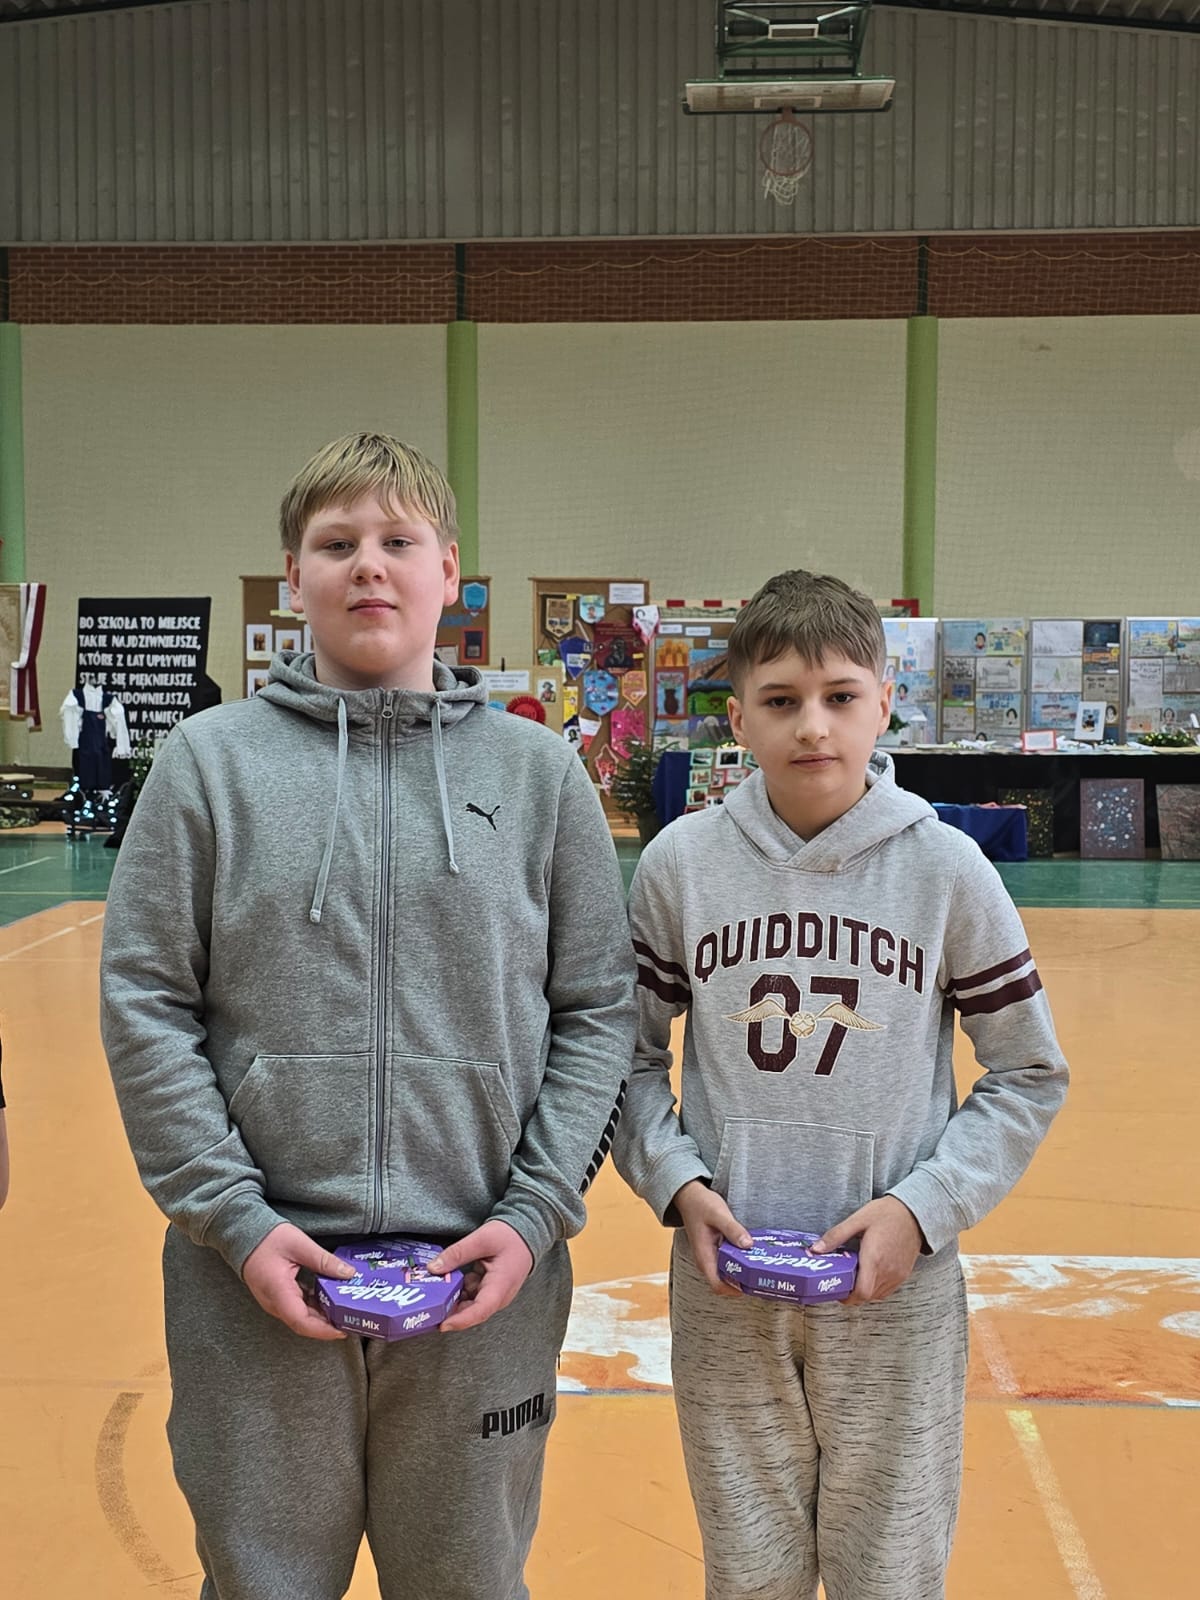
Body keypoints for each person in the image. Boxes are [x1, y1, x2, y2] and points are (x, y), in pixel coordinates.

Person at [100, 432, 637, 1600]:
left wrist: (535, 1214)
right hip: (252, 1280)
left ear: (450, 572)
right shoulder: (207, 766)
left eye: (399, 540)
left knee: (469, 1582)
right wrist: (235, 1220)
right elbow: (146, 999)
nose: (369, 565)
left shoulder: (540, 775)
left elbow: (601, 1010)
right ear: (294, 576)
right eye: (336, 543)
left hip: (483, 1280)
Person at [613, 569, 1068, 1600]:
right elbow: (626, 1058)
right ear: (738, 717)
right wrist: (676, 1184)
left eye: (840, 696)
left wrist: (923, 1208)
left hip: (896, 1293)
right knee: (748, 1572)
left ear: (883, 704)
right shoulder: (680, 866)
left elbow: (1028, 1070)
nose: (812, 725)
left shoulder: (948, 870)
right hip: (727, 1288)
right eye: (780, 700)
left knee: (890, 1572)